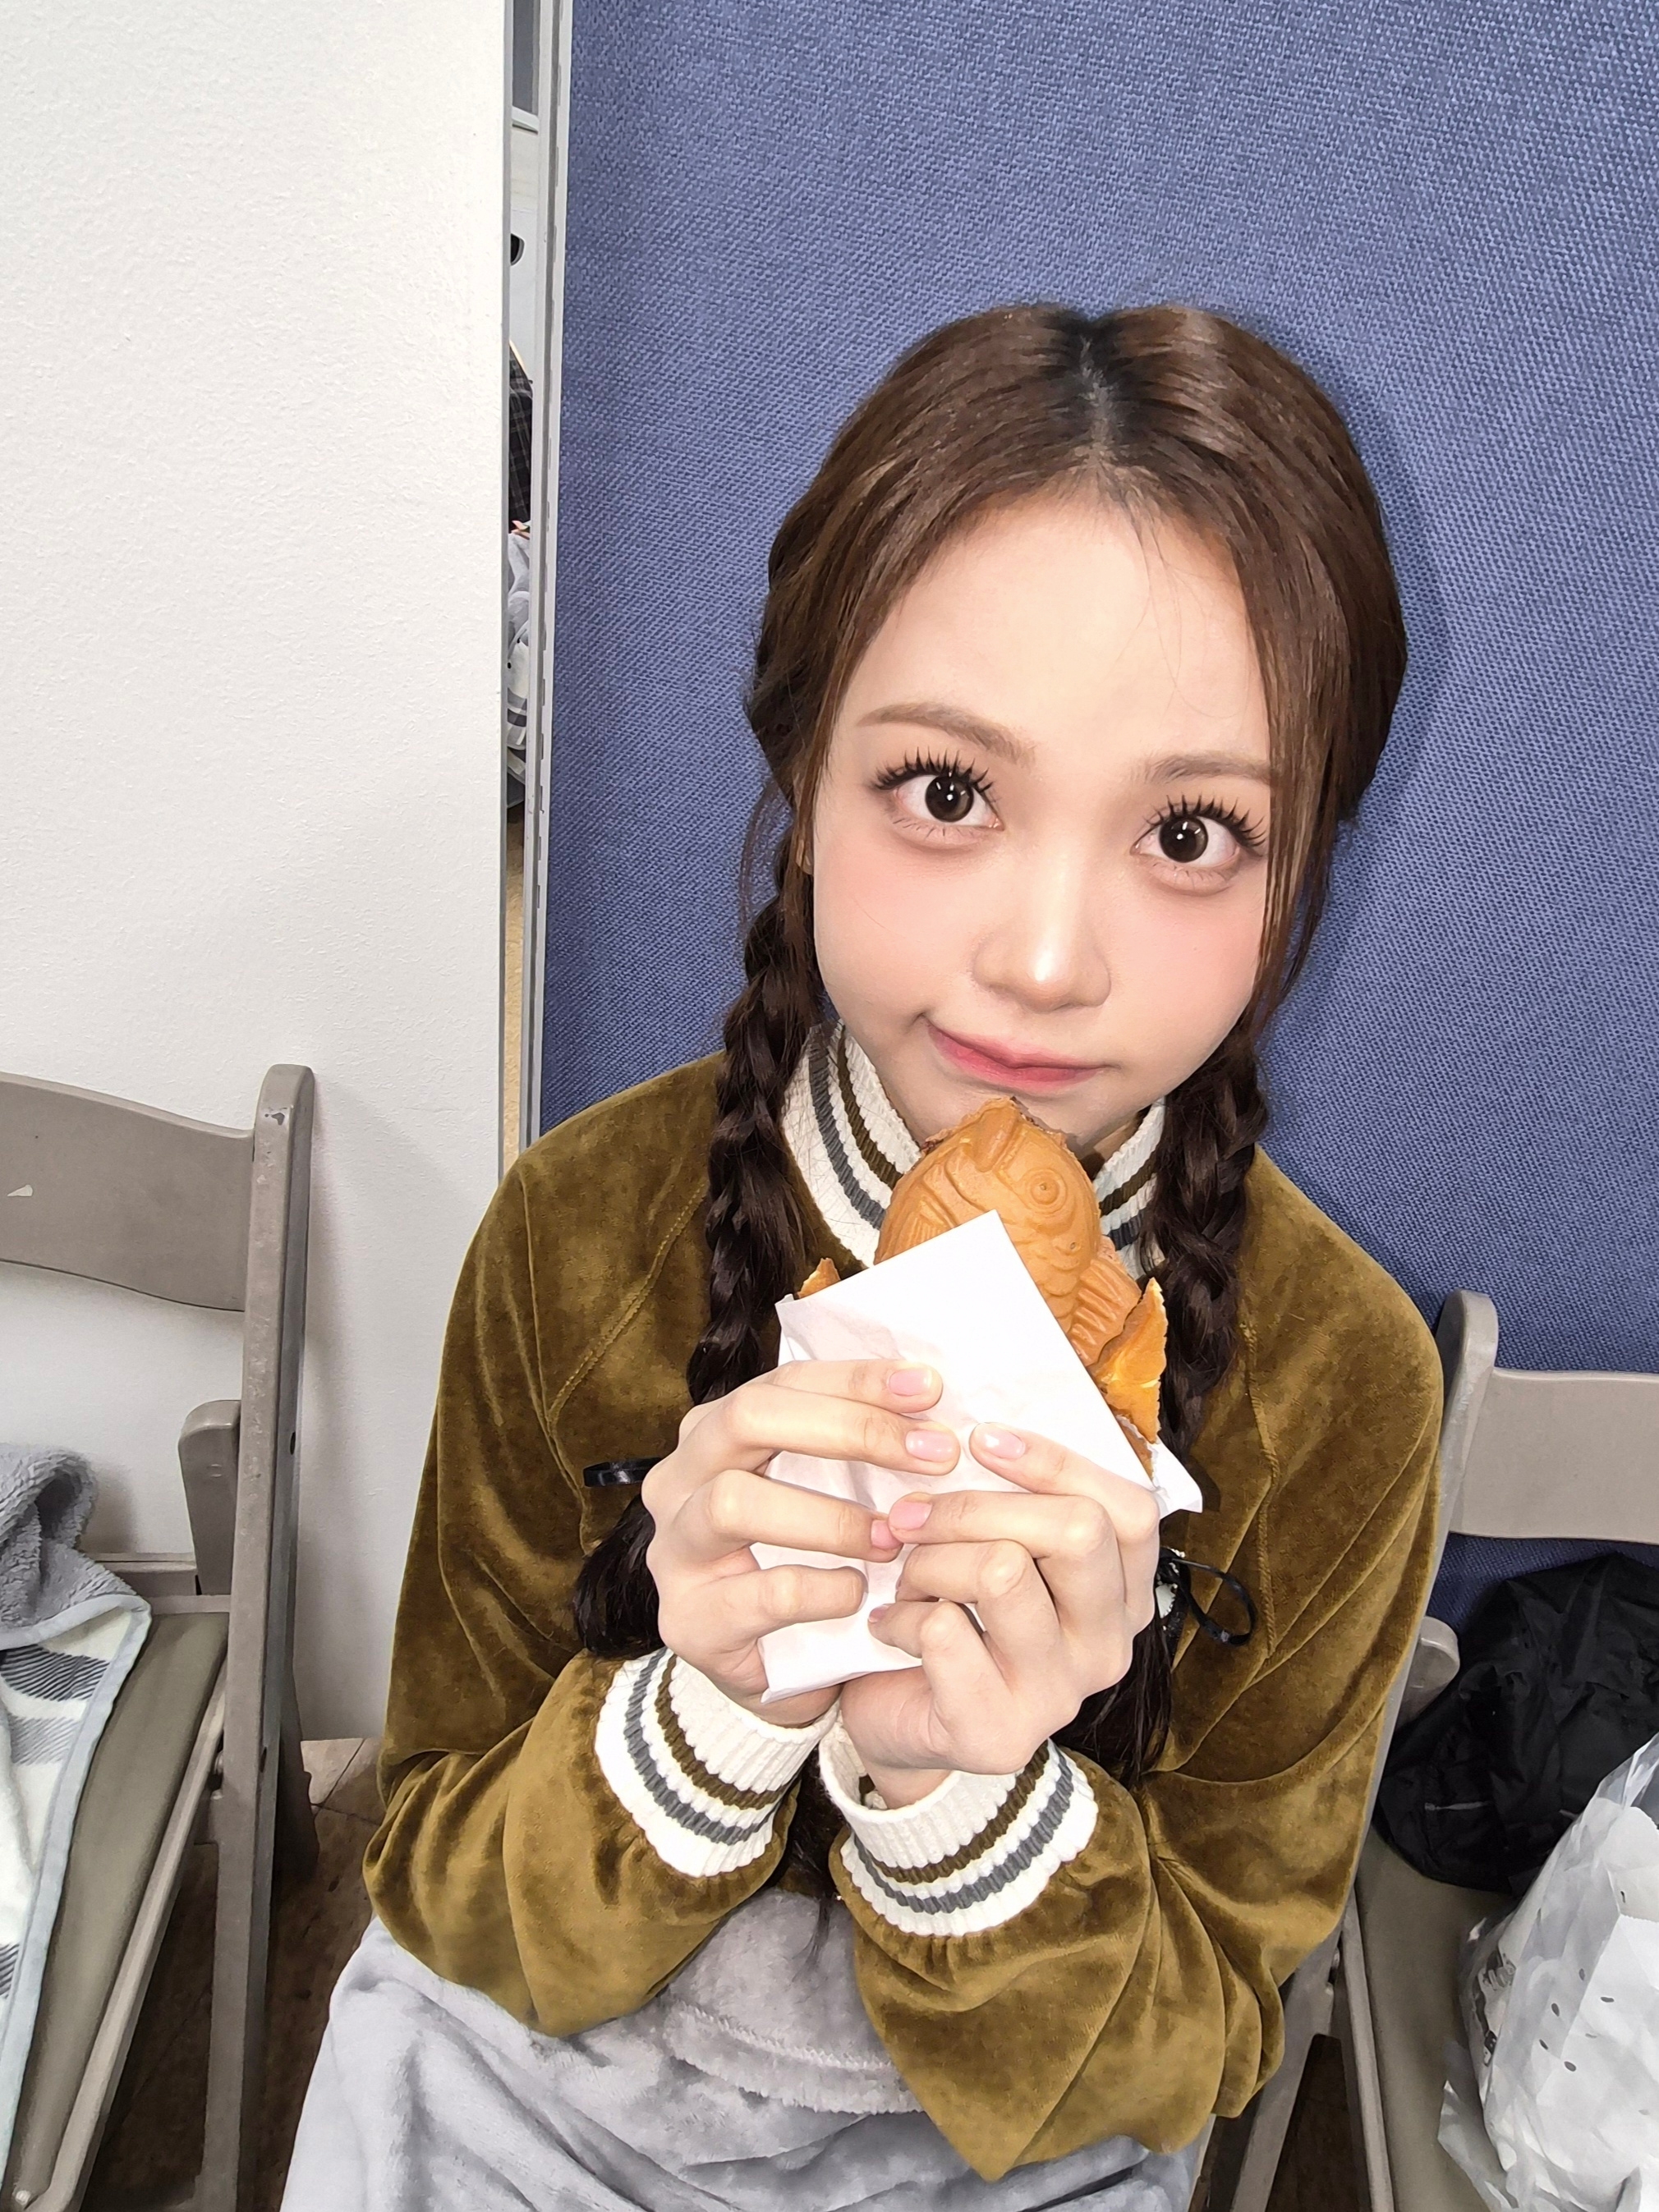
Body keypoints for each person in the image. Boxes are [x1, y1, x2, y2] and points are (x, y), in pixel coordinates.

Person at [284, 305, 1441, 2211]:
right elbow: (437, 1872)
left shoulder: (1336, 1380)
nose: (1044, 961)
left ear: (1297, 866)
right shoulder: (579, 1232)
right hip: (542, 2071)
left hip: (1004, 2138)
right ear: (806, 778)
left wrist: (963, 1798)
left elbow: (1200, 2038)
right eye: (947, 792)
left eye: (1186, 830)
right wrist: (704, 1713)